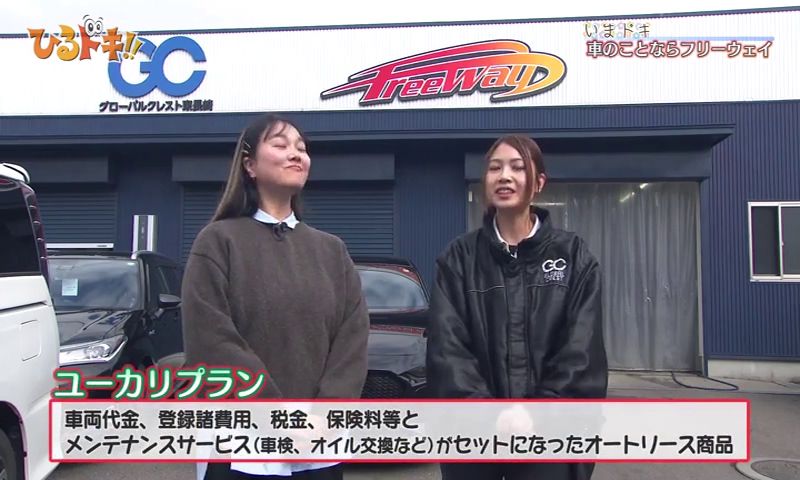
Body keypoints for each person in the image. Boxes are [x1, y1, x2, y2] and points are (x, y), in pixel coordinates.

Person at [181, 114, 369, 480]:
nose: (296, 154)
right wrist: (278, 417)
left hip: (319, 445)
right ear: (249, 165)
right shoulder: (218, 242)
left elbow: (353, 337)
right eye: (280, 145)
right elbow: (212, 340)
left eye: (302, 148)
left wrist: (327, 413)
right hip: (241, 444)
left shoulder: (331, 250)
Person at [426, 134, 608, 480]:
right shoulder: (459, 259)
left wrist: (537, 413)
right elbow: (447, 349)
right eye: (495, 168)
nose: (504, 176)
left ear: (539, 182)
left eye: (517, 167)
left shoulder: (574, 256)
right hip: (475, 437)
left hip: (551, 437)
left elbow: (582, 351)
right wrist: (488, 414)